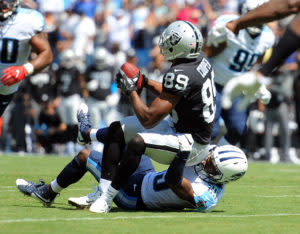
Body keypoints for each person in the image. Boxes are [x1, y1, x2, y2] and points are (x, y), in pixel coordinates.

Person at [80, 20, 217, 213]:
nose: (166, 44)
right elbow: (174, 93)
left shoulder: (180, 73)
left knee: (137, 142)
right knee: (118, 129)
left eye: (171, 41)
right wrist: (144, 82)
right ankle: (101, 190)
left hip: (191, 144)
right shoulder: (199, 60)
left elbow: (148, 118)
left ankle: (107, 198)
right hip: (182, 128)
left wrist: (131, 91)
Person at [16, 143, 248, 212]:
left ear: (222, 177)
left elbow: (173, 181)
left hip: (133, 196)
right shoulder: (213, 164)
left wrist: (183, 151)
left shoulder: (206, 196)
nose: (205, 160)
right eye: (210, 158)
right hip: (145, 176)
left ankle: (48, 192)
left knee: (85, 155)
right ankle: (91, 138)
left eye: (210, 164)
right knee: (133, 142)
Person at [203, 0, 274, 146]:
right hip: (214, 82)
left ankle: (216, 160)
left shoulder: (267, 37)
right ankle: (198, 163)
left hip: (236, 88)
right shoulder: (228, 25)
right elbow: (207, 52)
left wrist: (256, 84)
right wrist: (216, 40)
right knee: (210, 129)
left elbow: (257, 63)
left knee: (238, 128)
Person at [219, 0, 300, 108]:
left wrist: (263, 72)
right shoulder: (225, 22)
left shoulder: (268, 36)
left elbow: (290, 5)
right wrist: (262, 73)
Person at [0, 0, 53, 116]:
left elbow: (46, 54)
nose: (4, 3)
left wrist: (25, 69)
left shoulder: (27, 21)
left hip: (4, 88)